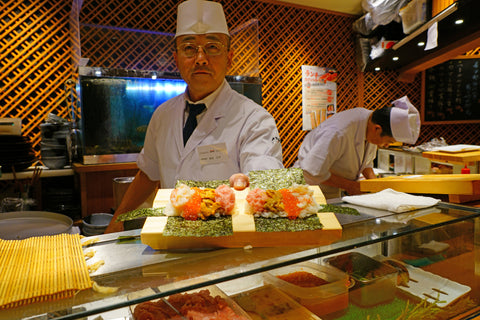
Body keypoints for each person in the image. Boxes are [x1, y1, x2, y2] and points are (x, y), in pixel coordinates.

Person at [105, 0, 283, 233]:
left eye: (212, 47)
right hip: (174, 241)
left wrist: (252, 183)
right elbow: (149, 174)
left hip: (229, 246)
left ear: (230, 58)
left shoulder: (255, 119)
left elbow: (264, 171)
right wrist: (116, 222)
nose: (200, 58)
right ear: (176, 58)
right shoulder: (163, 115)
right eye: (189, 48)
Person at [295, 96, 420, 200]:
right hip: (308, 190)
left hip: (332, 191)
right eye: (388, 142)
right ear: (377, 129)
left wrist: (378, 188)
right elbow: (311, 171)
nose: (386, 146)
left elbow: (366, 163)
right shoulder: (338, 132)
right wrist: (350, 186)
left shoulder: (369, 123)